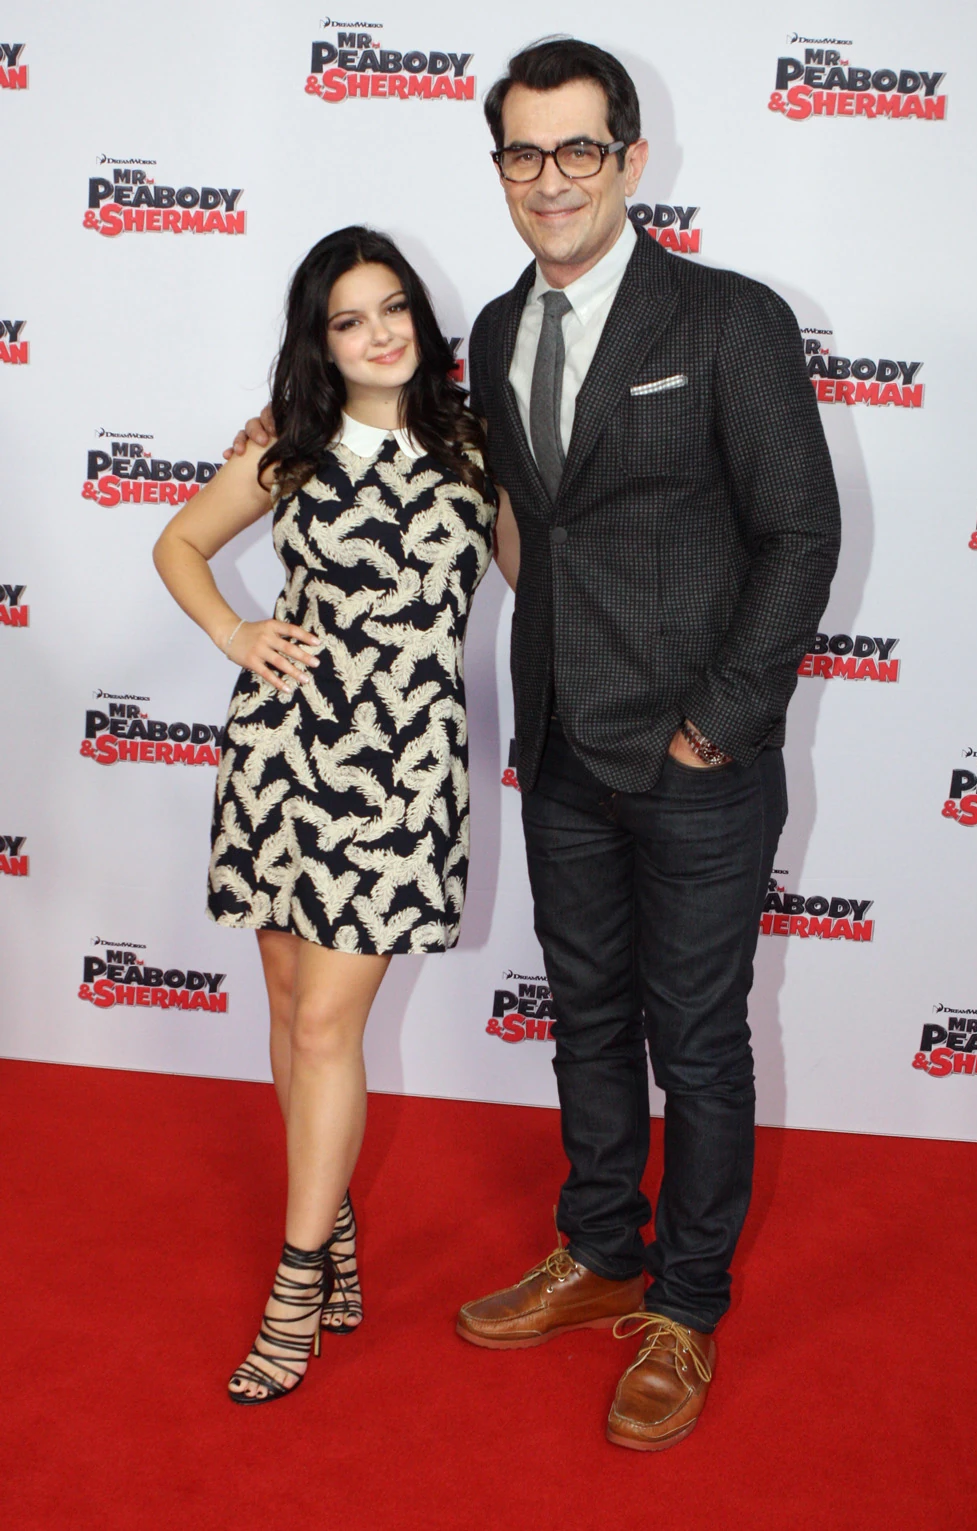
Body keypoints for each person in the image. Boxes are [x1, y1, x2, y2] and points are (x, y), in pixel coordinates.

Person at [230, 37, 840, 1450]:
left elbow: (801, 534)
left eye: (578, 148)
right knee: (587, 1023)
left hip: (697, 762)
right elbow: (449, 483)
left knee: (698, 1044)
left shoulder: (728, 318)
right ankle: (602, 1248)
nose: (550, 177)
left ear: (631, 158)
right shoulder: (496, 334)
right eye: (523, 151)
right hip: (560, 750)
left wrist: (717, 724)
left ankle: (684, 1306)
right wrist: (288, 423)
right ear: (499, 167)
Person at [154, 226, 499, 1404]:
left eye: (393, 307)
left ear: (421, 319)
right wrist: (235, 632)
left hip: (403, 776)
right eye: (350, 320)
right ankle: (332, 1219)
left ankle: (296, 1281)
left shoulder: (477, 448)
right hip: (282, 754)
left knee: (321, 1027)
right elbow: (179, 542)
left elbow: (546, 580)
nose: (379, 333)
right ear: (321, 341)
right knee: (293, 1007)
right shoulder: (287, 449)